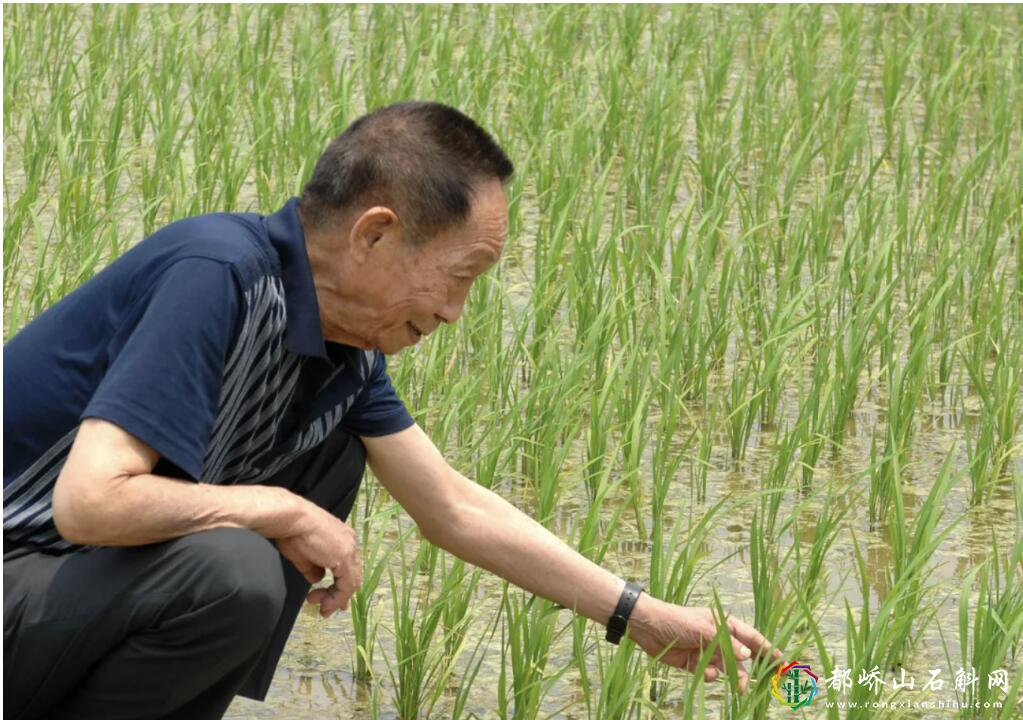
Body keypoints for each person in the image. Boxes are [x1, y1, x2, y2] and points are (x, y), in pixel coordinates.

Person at [3, 101, 779, 719]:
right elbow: (90, 500)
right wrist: (276, 509)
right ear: (376, 233)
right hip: (20, 567)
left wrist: (638, 617)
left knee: (323, 466)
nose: (454, 312)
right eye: (461, 275)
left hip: (52, 597)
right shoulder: (217, 273)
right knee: (235, 561)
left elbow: (453, 508)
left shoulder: (343, 348)